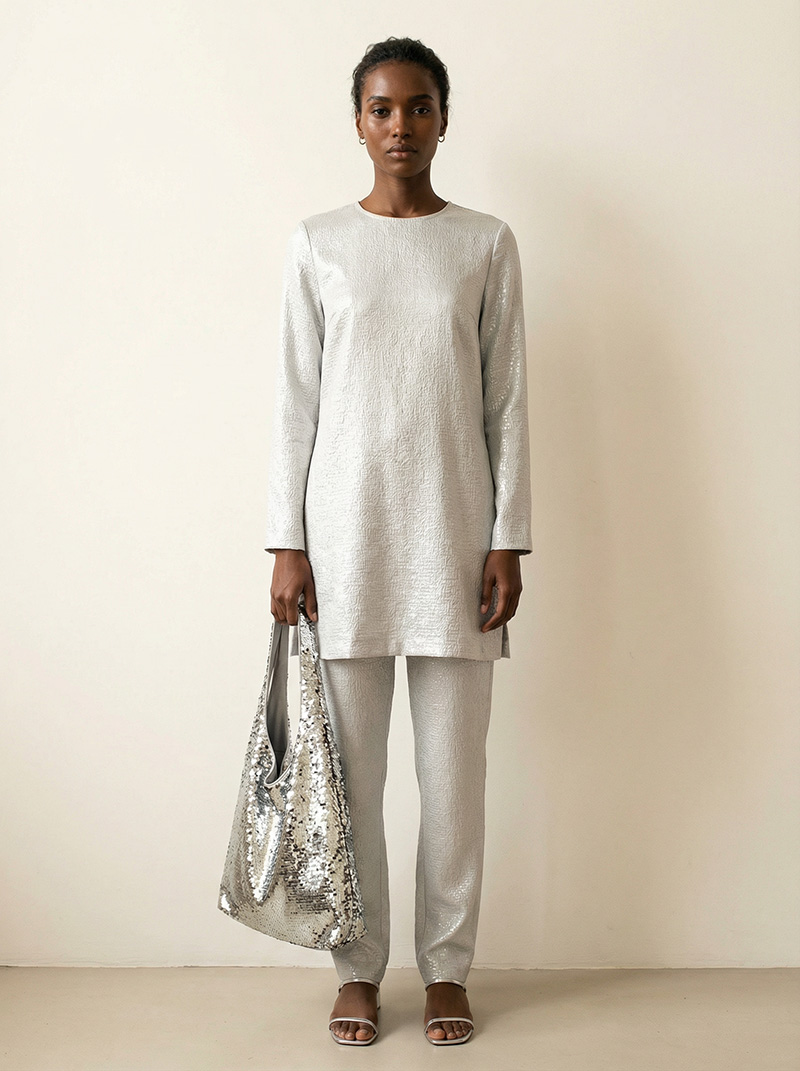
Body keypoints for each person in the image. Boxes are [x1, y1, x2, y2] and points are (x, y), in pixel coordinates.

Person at [264, 36, 532, 1047]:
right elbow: (293, 403)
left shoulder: (485, 244)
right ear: (357, 121)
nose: (400, 127)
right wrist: (285, 542)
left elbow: (506, 402)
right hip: (344, 544)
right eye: (381, 109)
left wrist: (508, 539)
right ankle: (358, 968)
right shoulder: (317, 244)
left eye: (418, 107)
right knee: (352, 780)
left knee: (453, 780)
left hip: (457, 542)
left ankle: (448, 968)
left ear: (444, 118)